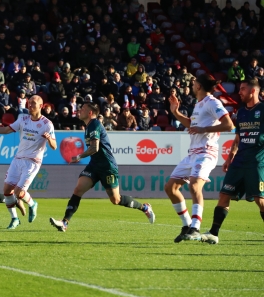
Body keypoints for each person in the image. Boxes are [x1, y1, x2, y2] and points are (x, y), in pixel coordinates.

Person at [50, 102, 155, 232]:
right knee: (78, 190)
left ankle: (144, 208)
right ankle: (64, 222)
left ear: (90, 113)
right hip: (94, 165)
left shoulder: (94, 124)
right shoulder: (88, 126)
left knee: (116, 200)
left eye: (82, 109)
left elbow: (95, 148)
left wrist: (78, 157)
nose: (79, 110)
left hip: (107, 166)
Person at [164, 74, 234, 243]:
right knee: (170, 187)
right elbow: (192, 125)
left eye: (194, 82)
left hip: (206, 152)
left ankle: (195, 227)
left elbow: (229, 125)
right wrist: (175, 112)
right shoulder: (199, 104)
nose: (192, 84)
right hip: (193, 153)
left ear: (199, 86)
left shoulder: (213, 102)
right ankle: (187, 225)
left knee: (195, 186)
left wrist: (204, 130)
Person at [0, 95, 57, 229]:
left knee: (18, 191)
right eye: (29, 103)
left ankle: (32, 204)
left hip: (32, 162)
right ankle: (14, 219)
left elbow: (54, 146)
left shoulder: (47, 124)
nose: (30, 105)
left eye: (33, 103)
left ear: (41, 106)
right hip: (18, 159)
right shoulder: (23, 119)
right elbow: (6, 130)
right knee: (7, 190)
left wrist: (49, 139)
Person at [199, 79, 264, 244]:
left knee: (260, 200)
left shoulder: (263, 109)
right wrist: (229, 158)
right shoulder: (241, 112)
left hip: (256, 162)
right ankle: (213, 233)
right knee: (224, 195)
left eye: (243, 89)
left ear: (253, 91)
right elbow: (237, 138)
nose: (239, 91)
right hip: (239, 161)